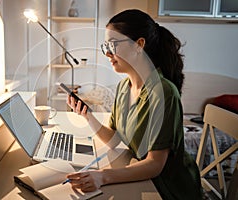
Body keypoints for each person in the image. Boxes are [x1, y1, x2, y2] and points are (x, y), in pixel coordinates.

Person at [66, 9, 202, 200]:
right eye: (105, 46)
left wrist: (103, 176)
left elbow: (154, 165)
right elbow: (115, 139)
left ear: (139, 45)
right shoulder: (124, 87)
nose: (107, 53)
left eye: (112, 45)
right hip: (139, 175)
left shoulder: (163, 93)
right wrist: (88, 116)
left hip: (166, 188)